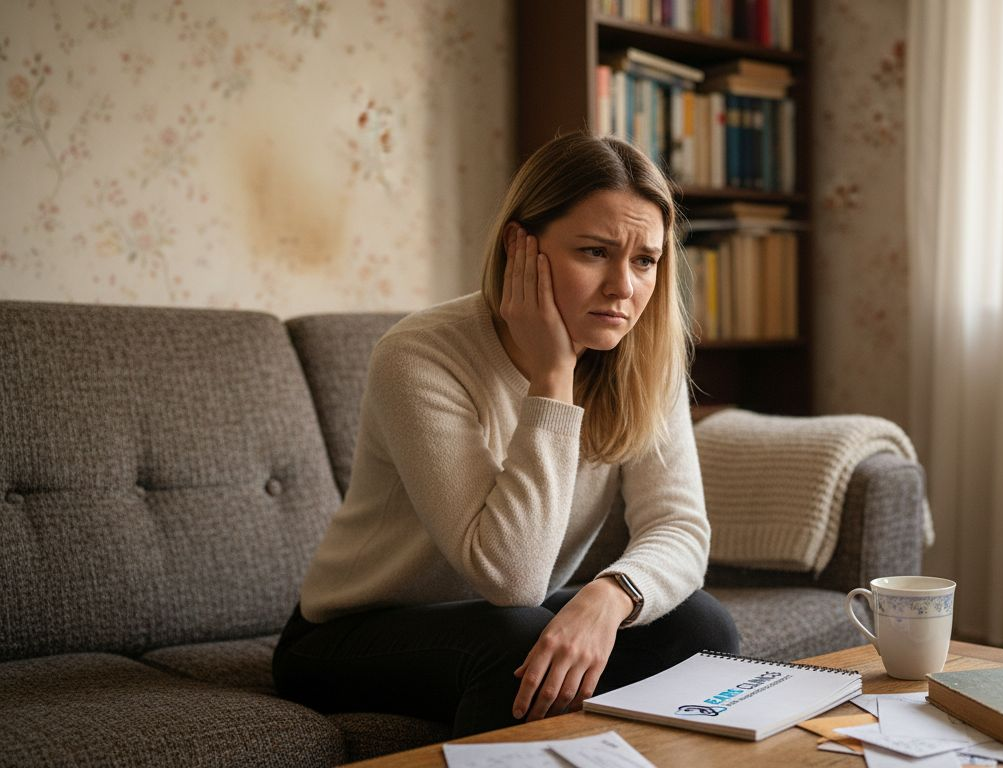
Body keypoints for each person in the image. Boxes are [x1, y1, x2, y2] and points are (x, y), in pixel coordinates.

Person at [272, 132, 740, 737]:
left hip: (503, 615)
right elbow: (510, 579)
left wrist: (609, 596)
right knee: (516, 641)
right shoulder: (420, 355)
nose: (623, 287)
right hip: (349, 634)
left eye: (644, 260)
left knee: (701, 627)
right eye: (594, 252)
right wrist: (553, 377)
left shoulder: (644, 357)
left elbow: (679, 528)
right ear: (522, 246)